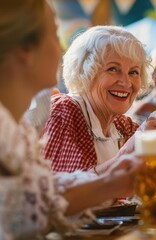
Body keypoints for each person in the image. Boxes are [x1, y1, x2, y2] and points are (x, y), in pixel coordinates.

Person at [0, 0, 138, 238]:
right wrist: (115, 178)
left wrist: (117, 179)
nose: (62, 50)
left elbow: (38, 194)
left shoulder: (15, 125)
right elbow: (19, 213)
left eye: (133, 72)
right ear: (26, 48)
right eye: (54, 33)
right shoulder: (59, 109)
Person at [41, 25, 152, 175]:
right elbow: (61, 192)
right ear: (84, 72)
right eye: (113, 69)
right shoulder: (63, 113)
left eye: (133, 72)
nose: (126, 83)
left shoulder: (123, 127)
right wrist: (126, 154)